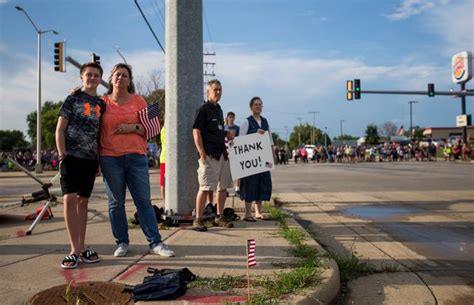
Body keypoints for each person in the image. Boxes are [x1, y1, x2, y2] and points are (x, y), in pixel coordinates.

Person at [99, 63, 174, 257]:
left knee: (143, 201)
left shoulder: (139, 101)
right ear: (111, 79)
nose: (120, 78)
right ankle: (122, 242)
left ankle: (155, 242)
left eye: (125, 75)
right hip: (110, 158)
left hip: (136, 158)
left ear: (130, 80)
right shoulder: (102, 102)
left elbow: (152, 129)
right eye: (117, 75)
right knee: (116, 203)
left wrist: (131, 128)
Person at [55, 62, 105, 269]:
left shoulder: (102, 104)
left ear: (100, 79)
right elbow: (60, 129)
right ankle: (74, 250)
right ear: (81, 77)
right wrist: (62, 154)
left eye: (96, 75)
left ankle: (83, 247)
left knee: (83, 201)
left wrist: (98, 161)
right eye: (88, 75)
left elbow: (100, 134)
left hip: (90, 159)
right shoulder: (72, 98)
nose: (92, 78)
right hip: (71, 157)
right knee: (69, 198)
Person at [192, 79, 234, 231]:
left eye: (220, 90)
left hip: (222, 154)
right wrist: (201, 153)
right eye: (215, 90)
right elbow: (196, 131)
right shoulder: (202, 109)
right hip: (209, 155)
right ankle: (198, 219)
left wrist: (226, 133)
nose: (218, 92)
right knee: (204, 187)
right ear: (208, 92)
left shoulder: (219, 110)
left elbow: (216, 130)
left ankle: (219, 216)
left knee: (223, 187)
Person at [239, 97, 274, 222]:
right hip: (251, 161)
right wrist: (254, 135)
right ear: (251, 107)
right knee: (250, 185)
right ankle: (248, 213)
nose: (258, 107)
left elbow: (270, 140)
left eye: (260, 105)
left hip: (263, 160)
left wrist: (272, 157)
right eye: (256, 105)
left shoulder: (265, 122)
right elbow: (240, 142)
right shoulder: (246, 122)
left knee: (262, 184)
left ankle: (258, 212)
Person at [159, 122, 166, 202]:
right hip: (165, 158)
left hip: (163, 158)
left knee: (163, 182)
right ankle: (165, 202)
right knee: (163, 183)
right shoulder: (166, 130)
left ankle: (165, 202)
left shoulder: (163, 129)